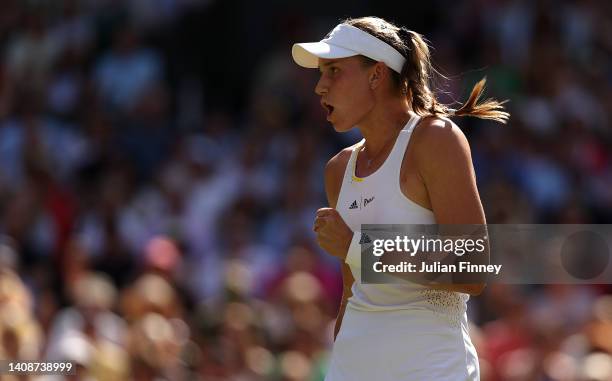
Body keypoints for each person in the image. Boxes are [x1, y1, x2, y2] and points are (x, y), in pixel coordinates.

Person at [291, 17, 509, 380]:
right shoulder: (338, 168)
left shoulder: (436, 139)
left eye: (333, 71)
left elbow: (471, 269)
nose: (319, 87)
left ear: (376, 75)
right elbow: (352, 291)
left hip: (433, 368)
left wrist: (359, 247)